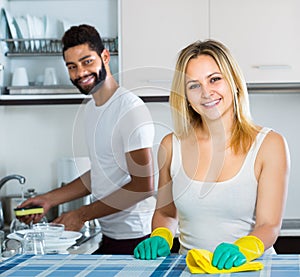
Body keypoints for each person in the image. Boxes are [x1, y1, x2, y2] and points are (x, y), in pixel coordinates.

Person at [133, 39, 290, 269]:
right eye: (194, 85)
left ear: (234, 82)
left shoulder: (269, 145)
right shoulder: (170, 146)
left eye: (214, 79)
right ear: (185, 95)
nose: (206, 93)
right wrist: (161, 235)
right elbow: (166, 213)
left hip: (251, 269)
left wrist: (244, 248)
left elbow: (269, 225)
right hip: (191, 270)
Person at [18, 24, 156, 254]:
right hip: (111, 236)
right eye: (72, 66)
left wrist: (81, 214)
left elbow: (143, 186)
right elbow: (102, 173)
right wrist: (49, 199)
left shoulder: (130, 109)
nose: (80, 73)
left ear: (105, 56)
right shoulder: (92, 108)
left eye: (87, 61)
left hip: (139, 238)